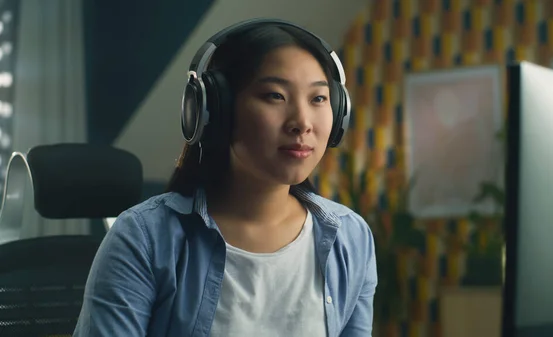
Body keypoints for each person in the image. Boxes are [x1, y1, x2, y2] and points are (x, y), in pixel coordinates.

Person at [73, 19, 377, 337]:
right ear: (216, 108)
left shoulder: (350, 237)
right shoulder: (145, 239)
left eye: (318, 99)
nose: (302, 122)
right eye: (275, 96)